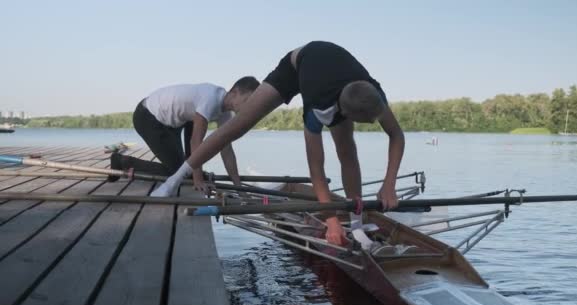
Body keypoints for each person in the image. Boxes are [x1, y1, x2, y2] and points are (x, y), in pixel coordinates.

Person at [152, 41, 405, 246]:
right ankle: (172, 180)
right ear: (346, 113)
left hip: (335, 75)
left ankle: (357, 225)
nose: (374, 124)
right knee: (237, 127)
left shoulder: (373, 95)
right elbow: (316, 168)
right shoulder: (317, 107)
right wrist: (331, 220)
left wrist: (389, 183)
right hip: (295, 66)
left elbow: (397, 135)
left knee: (347, 151)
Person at [110, 77, 260, 191]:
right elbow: (196, 141)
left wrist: (238, 186)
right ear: (234, 93)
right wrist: (198, 180)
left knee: (187, 168)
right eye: (247, 100)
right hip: (148, 116)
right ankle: (122, 161)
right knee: (177, 172)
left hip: (173, 123)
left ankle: (193, 173)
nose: (249, 106)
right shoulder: (211, 99)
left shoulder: (226, 114)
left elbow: (227, 150)